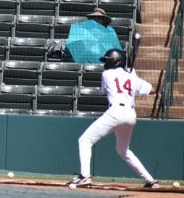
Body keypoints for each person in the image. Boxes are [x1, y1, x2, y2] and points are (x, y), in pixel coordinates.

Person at [68, 48, 159, 189]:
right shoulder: (131, 75)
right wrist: (132, 77)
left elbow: (107, 89)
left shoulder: (106, 74)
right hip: (130, 115)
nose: (106, 63)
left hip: (116, 111)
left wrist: (129, 75)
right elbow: (152, 89)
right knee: (123, 150)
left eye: (108, 60)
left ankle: (85, 176)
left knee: (85, 140)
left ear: (117, 62)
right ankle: (150, 180)